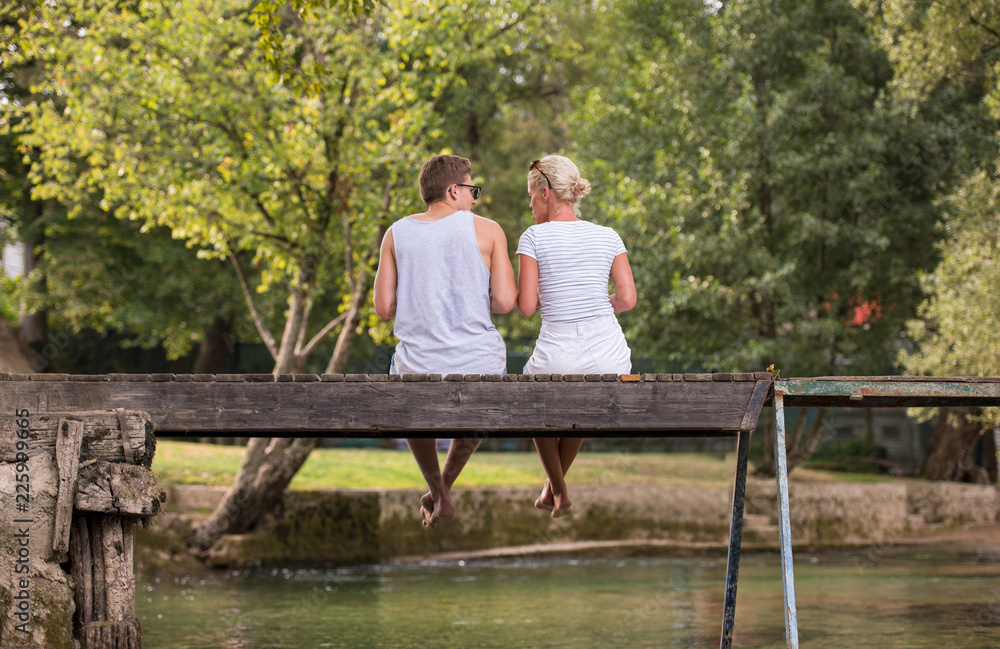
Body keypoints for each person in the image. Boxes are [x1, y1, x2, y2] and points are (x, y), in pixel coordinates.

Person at [373, 154, 516, 528]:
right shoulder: (489, 230)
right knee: (482, 396)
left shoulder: (396, 233)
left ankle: (439, 491)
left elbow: (384, 307)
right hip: (479, 365)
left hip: (417, 367)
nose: (474, 199)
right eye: (473, 190)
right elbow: (504, 302)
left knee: (410, 398)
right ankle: (443, 488)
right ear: (454, 190)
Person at [516, 155, 637, 518]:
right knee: (584, 404)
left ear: (546, 192)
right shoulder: (607, 235)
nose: (532, 205)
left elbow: (525, 307)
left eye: (532, 198)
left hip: (558, 352)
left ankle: (560, 490)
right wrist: (598, 303)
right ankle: (553, 491)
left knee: (532, 401)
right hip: (611, 355)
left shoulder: (533, 236)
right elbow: (628, 299)